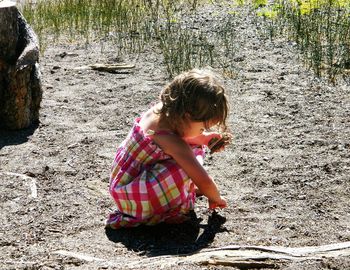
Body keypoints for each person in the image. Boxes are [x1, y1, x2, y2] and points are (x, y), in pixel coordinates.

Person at [106, 69, 230, 229]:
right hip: (134, 198)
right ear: (186, 117)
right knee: (185, 167)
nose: (203, 131)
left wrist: (202, 138)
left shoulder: (163, 112)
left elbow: (179, 136)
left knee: (191, 150)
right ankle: (164, 212)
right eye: (202, 128)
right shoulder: (172, 141)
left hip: (124, 180)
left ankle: (171, 197)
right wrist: (216, 198)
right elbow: (204, 180)